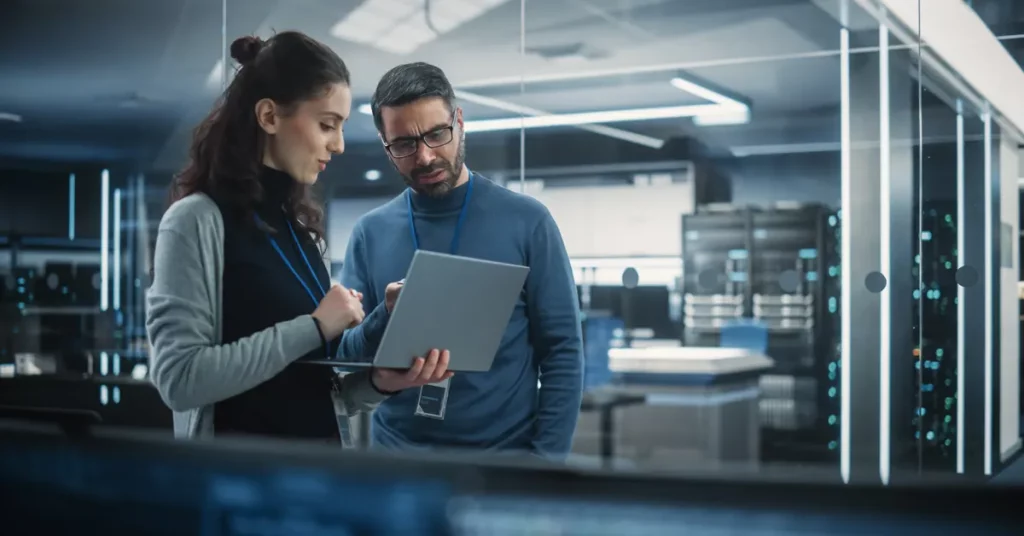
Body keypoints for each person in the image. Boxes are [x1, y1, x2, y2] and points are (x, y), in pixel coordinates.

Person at [146, 32, 451, 443]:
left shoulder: (301, 230)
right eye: (327, 125)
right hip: (234, 489)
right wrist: (313, 326)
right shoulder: (195, 221)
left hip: (315, 482)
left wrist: (380, 381)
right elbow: (179, 381)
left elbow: (315, 390)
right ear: (269, 116)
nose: (339, 145)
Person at [339, 62, 584, 459]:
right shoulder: (370, 233)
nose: (425, 156)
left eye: (437, 134)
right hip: (399, 463)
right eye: (403, 144)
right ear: (386, 146)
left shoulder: (527, 221)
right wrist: (385, 316)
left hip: (505, 462)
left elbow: (562, 350)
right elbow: (347, 357)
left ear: (459, 122)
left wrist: (546, 462)